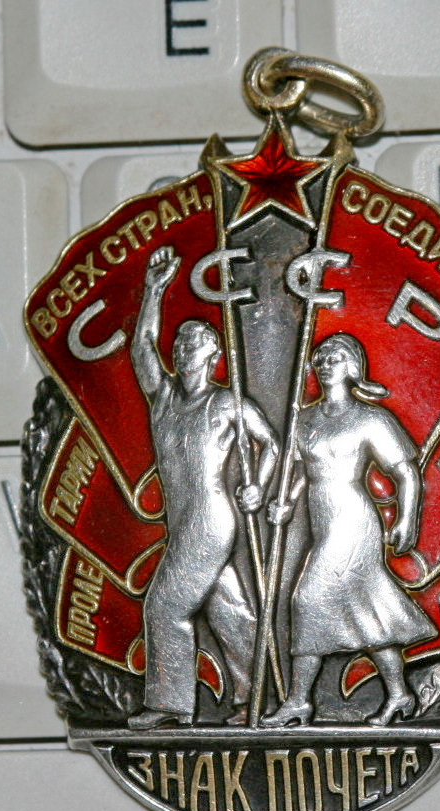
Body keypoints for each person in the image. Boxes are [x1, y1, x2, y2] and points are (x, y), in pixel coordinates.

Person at [129, 246, 279, 729]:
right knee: (228, 607)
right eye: (179, 343)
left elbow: (271, 444)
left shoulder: (227, 404)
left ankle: (170, 705)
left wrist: (258, 486)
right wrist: (154, 290)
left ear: (213, 355)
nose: (181, 350)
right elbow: (141, 347)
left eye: (193, 344)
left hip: (211, 518)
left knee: (165, 606)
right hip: (182, 519)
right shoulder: (163, 398)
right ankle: (259, 697)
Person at [264, 333, 436, 727]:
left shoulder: (370, 418)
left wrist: (407, 519)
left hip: (353, 520)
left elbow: (406, 472)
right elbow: (300, 472)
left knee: (307, 600)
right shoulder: (304, 418)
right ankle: (399, 694)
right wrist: (285, 501)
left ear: (352, 367)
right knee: (364, 609)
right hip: (321, 519)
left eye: (336, 358)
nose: (326, 364)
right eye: (321, 357)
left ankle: (298, 702)